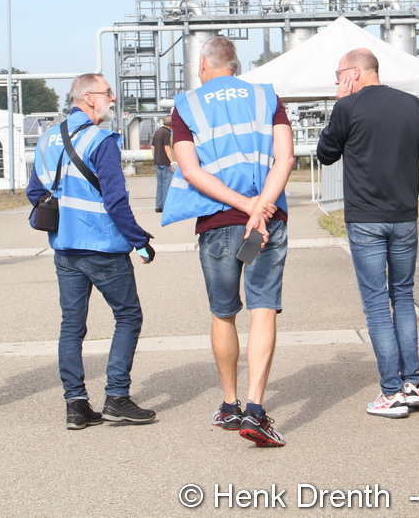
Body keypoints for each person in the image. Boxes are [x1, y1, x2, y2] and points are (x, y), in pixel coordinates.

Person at [161, 36, 294, 448]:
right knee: (263, 310)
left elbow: (190, 170)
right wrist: (260, 207)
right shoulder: (266, 97)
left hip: (218, 221)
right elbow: (286, 158)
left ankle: (230, 405)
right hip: (268, 220)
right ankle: (256, 409)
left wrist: (243, 205)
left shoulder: (187, 105)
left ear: (203, 65)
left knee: (223, 314)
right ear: (235, 65)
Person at [316, 48, 419, 419]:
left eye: (338, 75)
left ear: (355, 72)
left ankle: (391, 392)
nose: (337, 81)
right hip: (404, 219)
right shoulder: (414, 105)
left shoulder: (347, 107)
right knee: (403, 297)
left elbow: (325, 154)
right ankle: (412, 385)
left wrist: (340, 102)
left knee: (377, 303)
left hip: (365, 220)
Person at [27, 73, 158, 431]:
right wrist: (139, 240)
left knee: (72, 326)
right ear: (88, 98)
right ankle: (117, 397)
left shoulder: (47, 138)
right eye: (107, 93)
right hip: (103, 246)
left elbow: (35, 193)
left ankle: (76, 405)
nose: (112, 99)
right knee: (128, 316)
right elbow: (115, 200)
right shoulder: (102, 140)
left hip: (64, 248)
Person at [151, 115, 173, 212]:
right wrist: (172, 161)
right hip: (166, 162)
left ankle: (158, 205)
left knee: (159, 184)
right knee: (166, 184)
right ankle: (165, 205)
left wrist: (156, 156)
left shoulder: (157, 132)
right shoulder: (167, 133)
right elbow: (167, 147)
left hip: (158, 161)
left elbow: (152, 147)